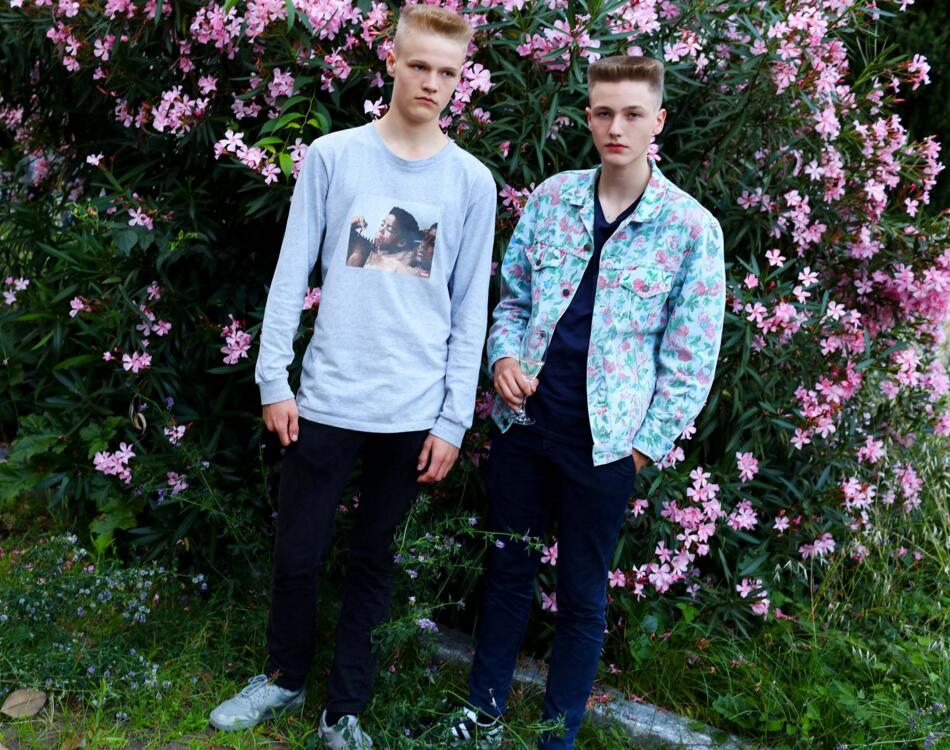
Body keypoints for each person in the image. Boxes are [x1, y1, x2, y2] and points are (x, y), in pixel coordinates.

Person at [208, 6, 496, 749]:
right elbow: (290, 271)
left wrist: (452, 419)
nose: (431, 82)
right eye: (419, 65)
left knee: (375, 563)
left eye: (447, 72)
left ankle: (345, 712)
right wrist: (273, 378)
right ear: (390, 62)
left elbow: (471, 309)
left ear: (459, 80)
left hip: (412, 412)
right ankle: (282, 678)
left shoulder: (471, 182)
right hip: (327, 398)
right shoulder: (334, 157)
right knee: (298, 552)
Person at [450, 55, 725, 749]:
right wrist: (503, 358)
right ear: (589, 117)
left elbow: (691, 360)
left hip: (605, 446)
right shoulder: (553, 200)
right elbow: (512, 299)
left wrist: (641, 448)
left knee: (581, 595)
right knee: (507, 571)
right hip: (524, 427)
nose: (616, 127)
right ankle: (481, 715)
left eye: (633, 113)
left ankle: (557, 736)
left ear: (658, 121)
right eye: (604, 112)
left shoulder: (690, 229)